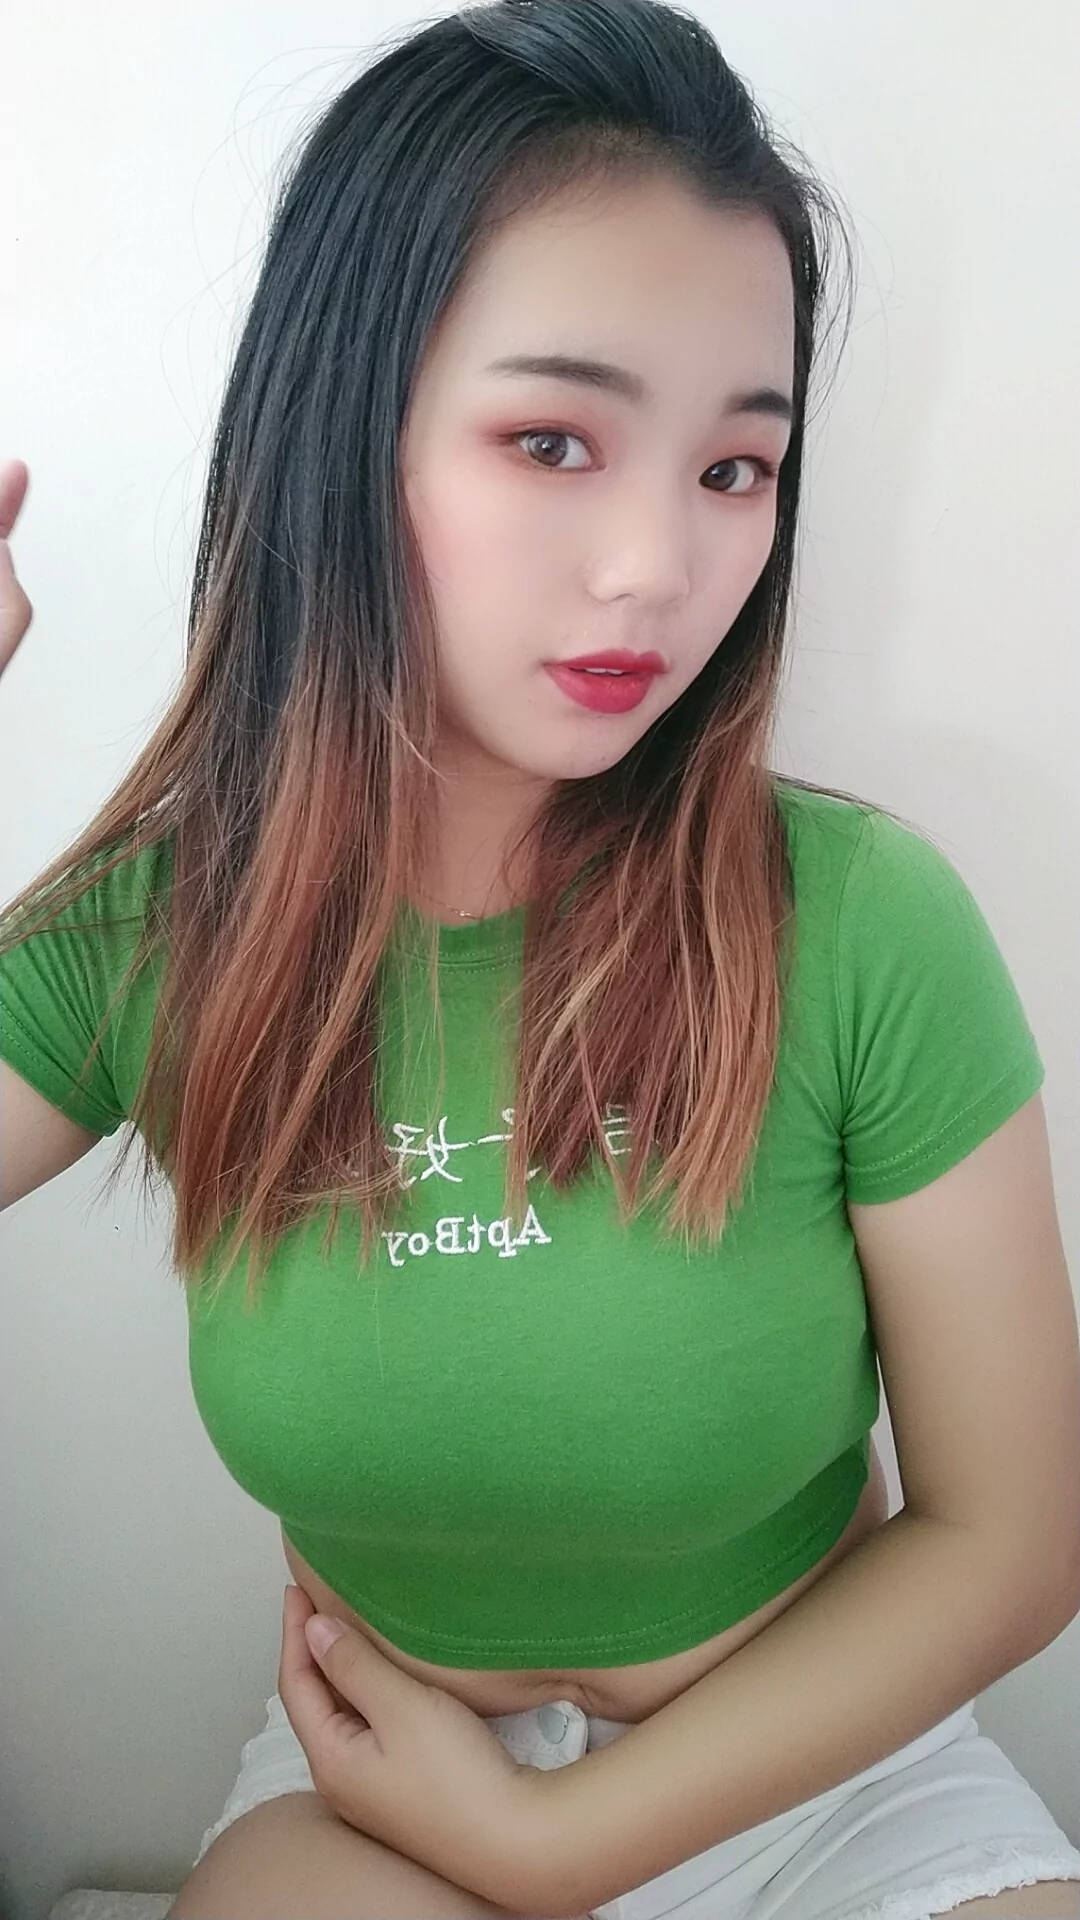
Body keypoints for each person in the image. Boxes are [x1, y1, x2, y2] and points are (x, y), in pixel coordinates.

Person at [2, 3, 1080, 1916]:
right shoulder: (154, 939)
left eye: (736, 467)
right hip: (382, 1794)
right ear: (341, 436)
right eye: (554, 440)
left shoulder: (858, 923)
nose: (659, 565)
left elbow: (1014, 1535)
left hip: (833, 1784)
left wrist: (560, 1844)